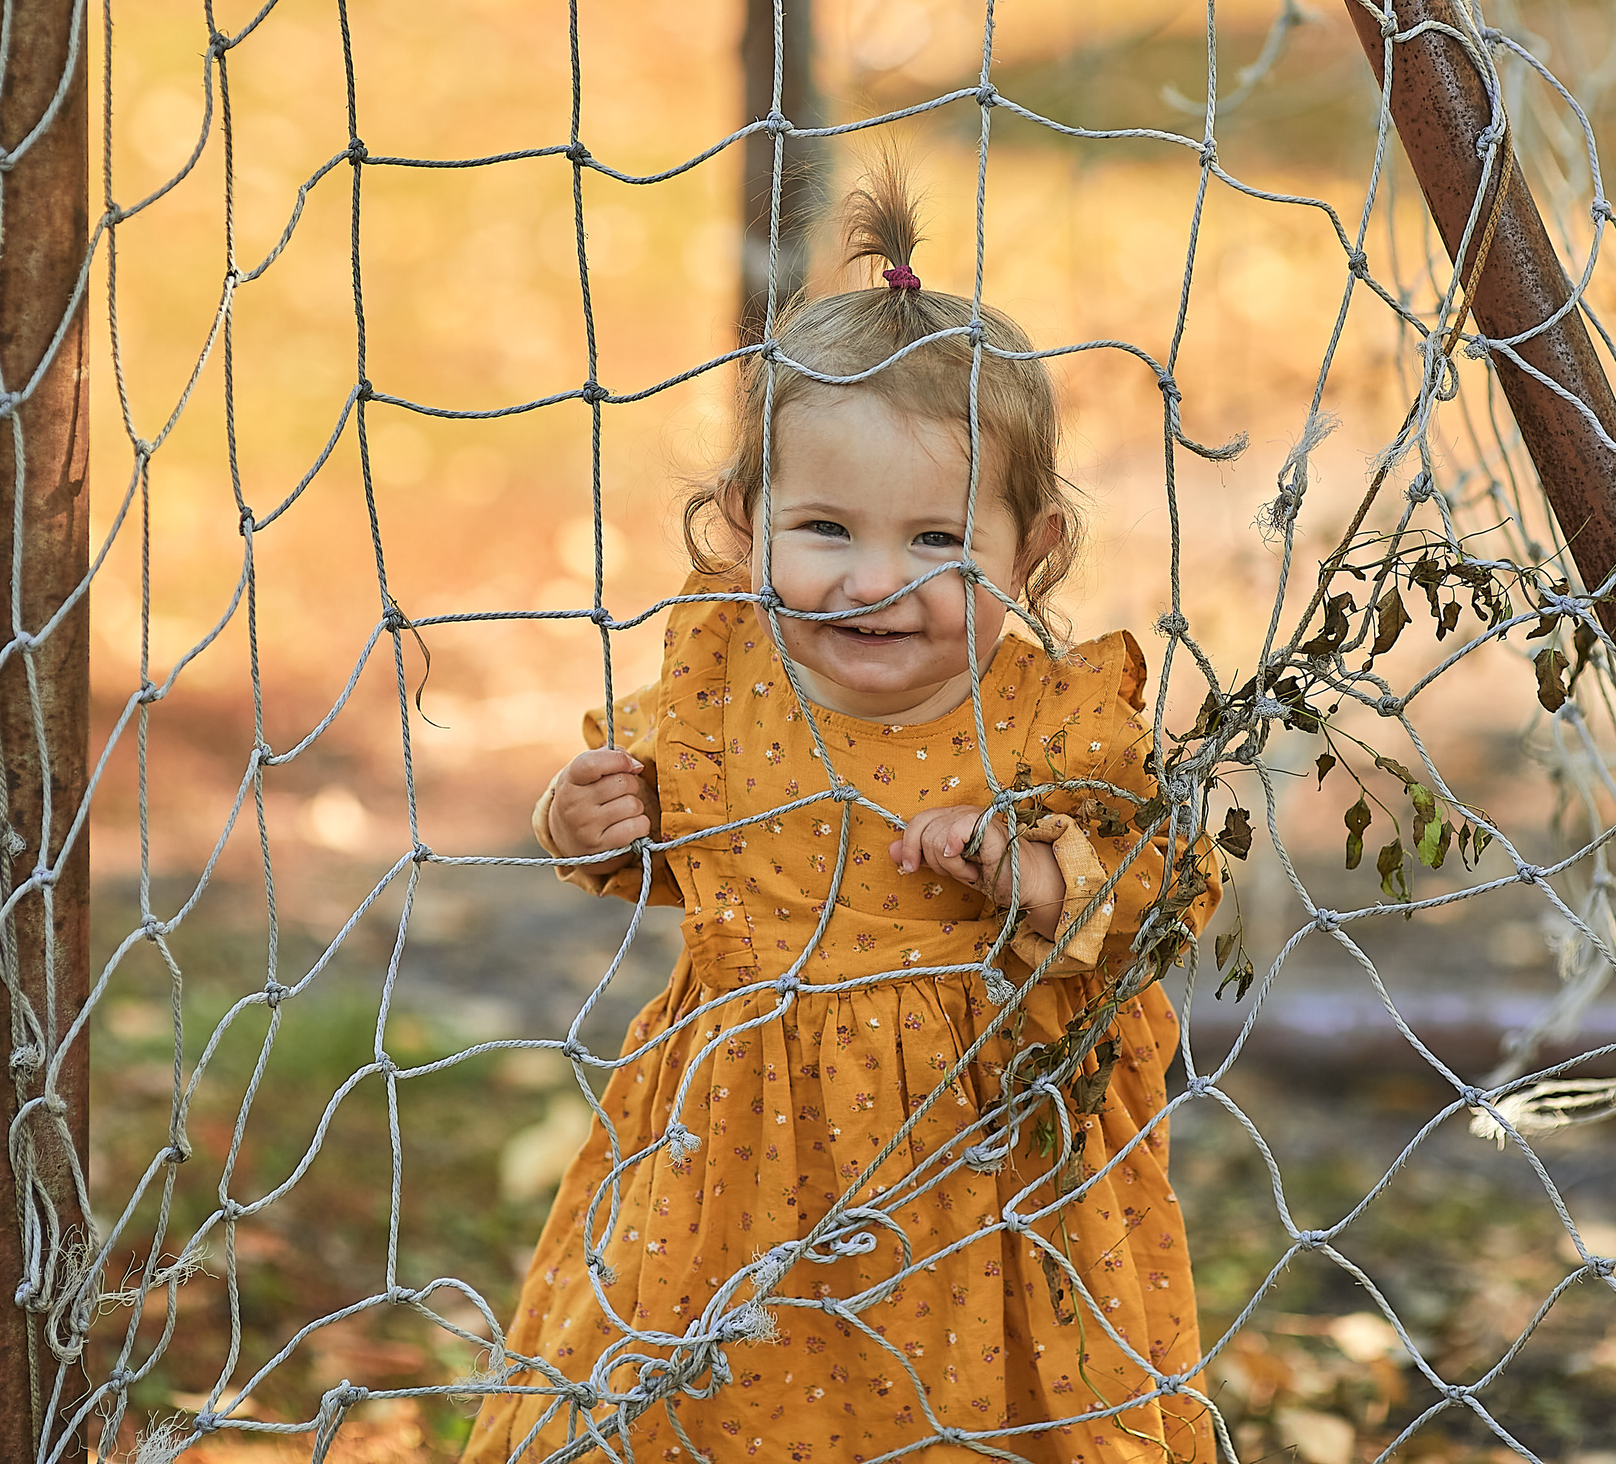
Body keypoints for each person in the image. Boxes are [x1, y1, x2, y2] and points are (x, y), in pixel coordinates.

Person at [459, 163, 1221, 1464]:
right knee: (710, 1399)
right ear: (745, 524)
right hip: (733, 1161)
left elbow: (1160, 893)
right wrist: (582, 823)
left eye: (939, 543)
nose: (876, 584)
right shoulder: (723, 677)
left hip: (983, 1168)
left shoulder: (1051, 719)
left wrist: (1026, 870)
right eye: (825, 528)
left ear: (1031, 552)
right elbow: (670, 836)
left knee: (974, 1420)